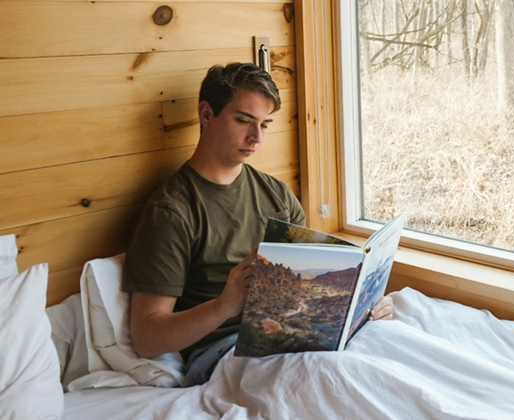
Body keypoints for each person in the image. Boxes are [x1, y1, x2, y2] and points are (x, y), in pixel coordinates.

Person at [122, 62, 394, 384]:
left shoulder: (276, 194)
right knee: (332, 381)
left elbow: (306, 279)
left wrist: (361, 303)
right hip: (223, 351)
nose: (256, 138)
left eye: (265, 125)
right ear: (206, 115)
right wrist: (224, 305)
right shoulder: (172, 212)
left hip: (294, 333)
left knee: (383, 365)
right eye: (244, 121)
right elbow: (146, 337)